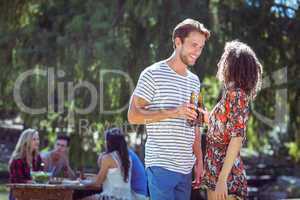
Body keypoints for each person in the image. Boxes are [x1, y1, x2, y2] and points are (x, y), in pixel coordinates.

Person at [128, 18, 210, 200]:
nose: (197, 51)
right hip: (161, 165)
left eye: (201, 47)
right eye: (193, 45)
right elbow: (133, 116)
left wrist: (199, 160)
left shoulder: (194, 81)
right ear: (178, 42)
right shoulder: (152, 74)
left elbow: (195, 123)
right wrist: (175, 111)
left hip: (185, 168)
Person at [199, 41, 263, 200]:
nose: (220, 62)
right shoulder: (231, 95)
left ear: (233, 65)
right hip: (217, 173)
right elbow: (225, 131)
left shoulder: (237, 95)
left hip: (225, 177)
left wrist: (222, 180)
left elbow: (237, 138)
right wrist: (208, 119)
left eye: (224, 58)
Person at [81, 128, 132, 200]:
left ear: (109, 142)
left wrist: (82, 183)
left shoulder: (108, 158)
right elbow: (106, 178)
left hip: (111, 197)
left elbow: (98, 182)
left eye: (105, 140)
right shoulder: (128, 158)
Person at [8, 128, 43, 200]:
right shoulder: (17, 159)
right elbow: (16, 180)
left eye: (38, 139)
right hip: (18, 195)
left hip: (34, 194)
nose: (37, 142)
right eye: (34, 139)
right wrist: (29, 182)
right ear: (26, 141)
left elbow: (40, 174)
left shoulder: (37, 157)